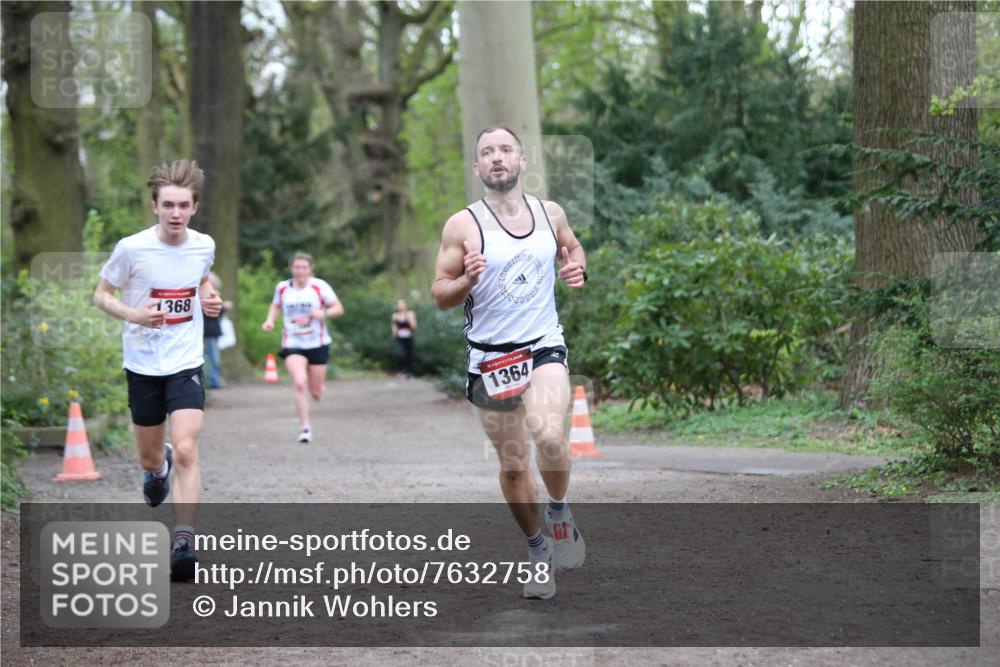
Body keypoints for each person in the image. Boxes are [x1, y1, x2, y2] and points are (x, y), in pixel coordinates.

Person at [432, 125, 588, 600]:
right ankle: (538, 550)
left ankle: (559, 512)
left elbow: (573, 246)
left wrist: (576, 266)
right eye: (487, 153)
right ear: (477, 168)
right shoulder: (462, 225)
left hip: (543, 345)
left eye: (505, 150)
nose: (497, 158)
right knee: (516, 465)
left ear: (522, 161)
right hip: (490, 360)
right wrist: (468, 281)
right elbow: (440, 293)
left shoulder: (550, 213)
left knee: (549, 434)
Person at [93, 159, 221, 582]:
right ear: (154, 206)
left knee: (187, 448)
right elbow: (101, 295)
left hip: (185, 360)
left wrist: (209, 297)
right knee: (152, 454)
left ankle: (184, 539)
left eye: (183, 205)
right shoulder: (132, 248)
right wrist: (134, 313)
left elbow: (202, 278)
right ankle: (156, 468)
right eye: (168, 205)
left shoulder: (204, 245)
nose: (176, 213)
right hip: (143, 363)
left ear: (195, 207)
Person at [261, 253, 344, 443]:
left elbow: (338, 309)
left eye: (304, 267)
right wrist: (269, 321)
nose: (300, 271)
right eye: (296, 267)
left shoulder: (319, 286)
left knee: (315, 392)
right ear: (291, 269)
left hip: (317, 343)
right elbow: (275, 306)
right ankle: (305, 427)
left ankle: (317, 386)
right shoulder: (282, 288)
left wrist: (322, 313)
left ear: (310, 269)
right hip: (292, 343)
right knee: (299, 382)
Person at [202, 272, 233, 389]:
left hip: (212, 331)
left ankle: (213, 380)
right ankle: (213, 381)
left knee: (212, 357)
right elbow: (211, 313)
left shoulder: (213, 295)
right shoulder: (204, 295)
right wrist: (223, 307)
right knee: (212, 358)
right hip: (207, 331)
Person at [390, 298, 417, 378]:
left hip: (408, 338)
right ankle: (400, 371)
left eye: (402, 304)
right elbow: (393, 325)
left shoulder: (410, 314)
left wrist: (408, 319)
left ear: (406, 305)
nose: (401, 306)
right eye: (399, 304)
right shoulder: (395, 316)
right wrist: (395, 333)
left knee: (409, 356)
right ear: (397, 306)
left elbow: (414, 327)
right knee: (400, 355)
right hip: (400, 338)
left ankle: (409, 373)